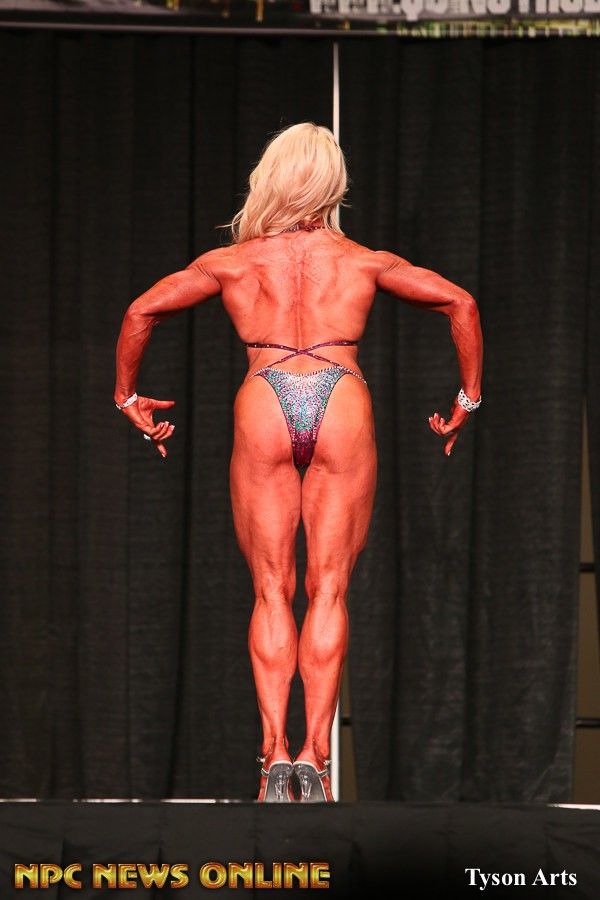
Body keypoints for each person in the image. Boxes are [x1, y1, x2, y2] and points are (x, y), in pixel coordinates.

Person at [114, 122, 483, 803]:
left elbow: (142, 311)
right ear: (333, 184)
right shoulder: (363, 260)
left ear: (271, 179)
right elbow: (460, 301)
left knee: (270, 589)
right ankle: (316, 758)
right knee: (329, 589)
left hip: (265, 392)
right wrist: (468, 398)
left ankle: (272, 760)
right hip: (341, 395)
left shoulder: (233, 263)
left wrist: (127, 395)